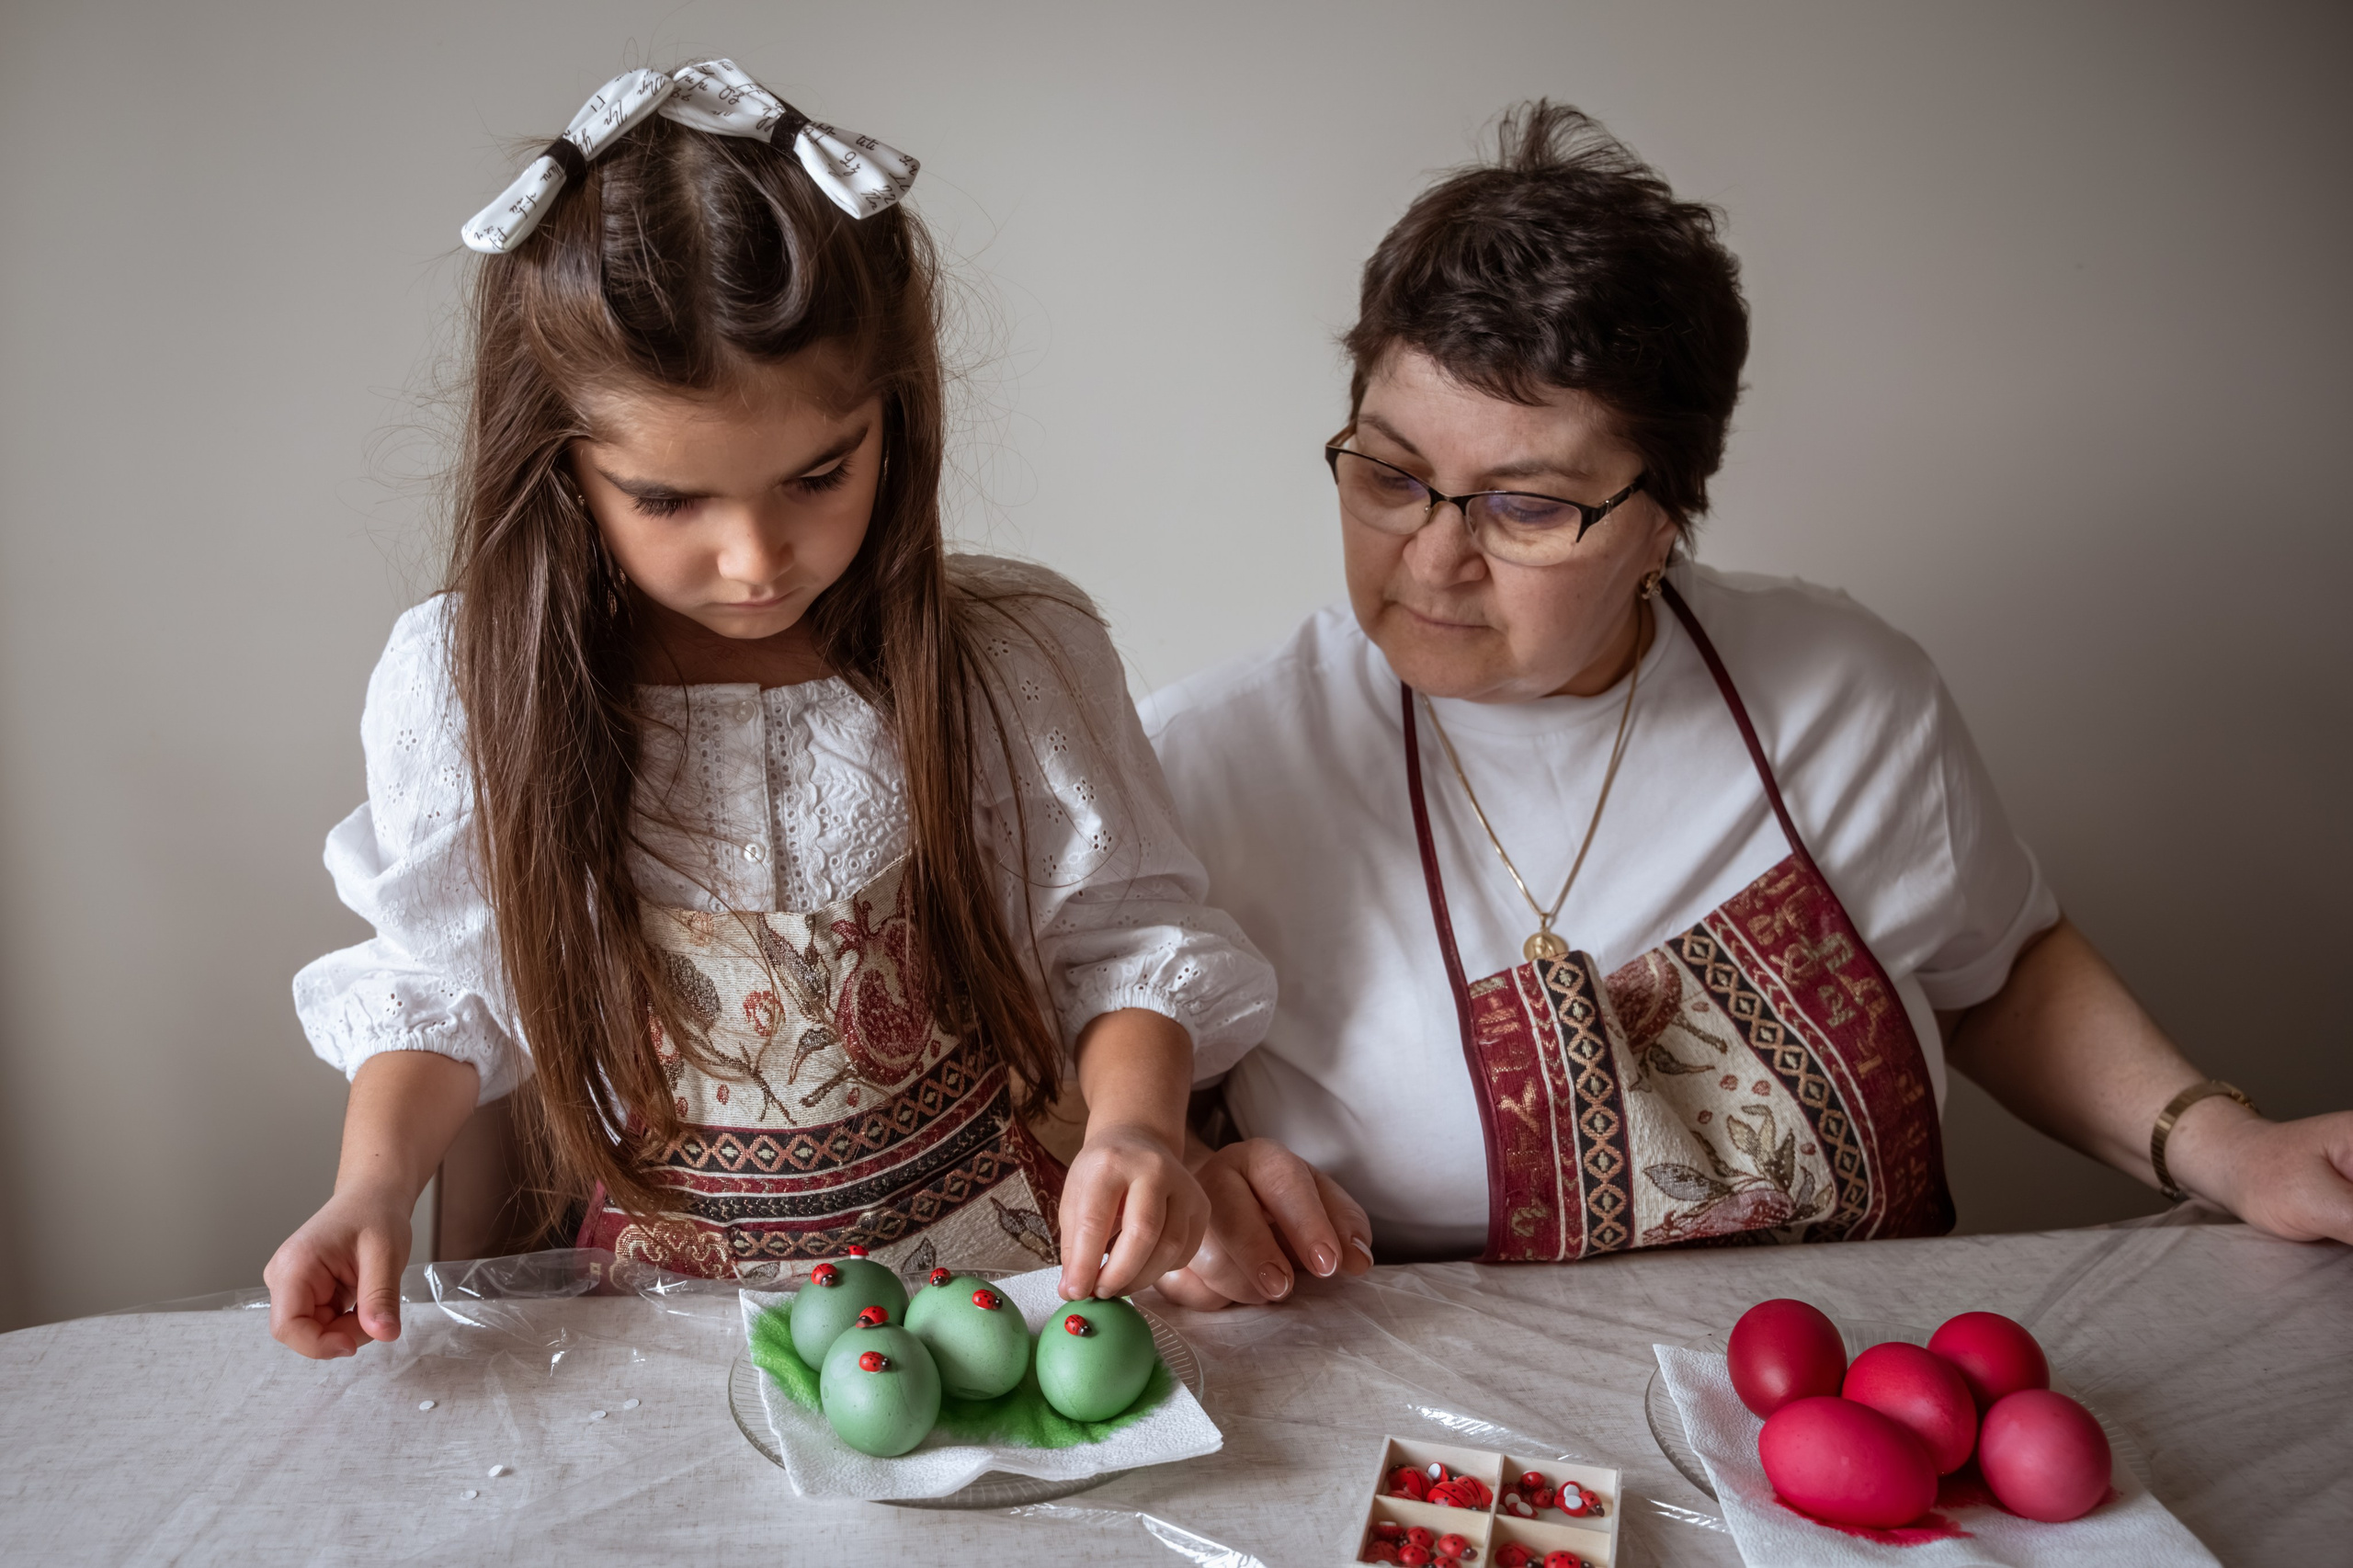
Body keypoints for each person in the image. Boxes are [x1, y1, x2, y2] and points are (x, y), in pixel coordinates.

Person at [1142, 103, 2353, 1310]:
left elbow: (1998, 968)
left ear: (1666, 517)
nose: (1434, 556)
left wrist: (2230, 1151)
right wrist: (1202, 1178)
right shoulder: (1210, 764)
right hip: (1467, 1440)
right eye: (1393, 475)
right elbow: (1078, 1101)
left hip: (1856, 1372)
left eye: (1525, 505)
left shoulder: (1844, 691)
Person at [266, 60, 1274, 1359]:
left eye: (818, 474)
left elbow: (1124, 939)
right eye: (671, 500)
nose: (757, 558)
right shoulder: (470, 680)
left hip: (1002, 1304)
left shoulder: (1016, 655)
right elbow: (443, 987)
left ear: (892, 422)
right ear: (562, 461)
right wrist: (370, 1187)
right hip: (664, 1332)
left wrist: (1139, 1125)